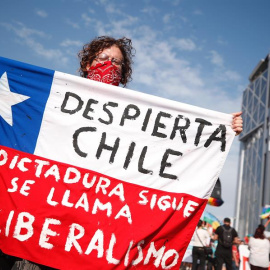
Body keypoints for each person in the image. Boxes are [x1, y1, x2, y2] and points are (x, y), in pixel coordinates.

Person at [78, 35, 243, 135]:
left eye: (116, 62)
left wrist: (222, 128)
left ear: (122, 74)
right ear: (87, 64)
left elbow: (176, 133)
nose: (109, 64)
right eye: (103, 57)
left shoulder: (133, 113)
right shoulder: (59, 97)